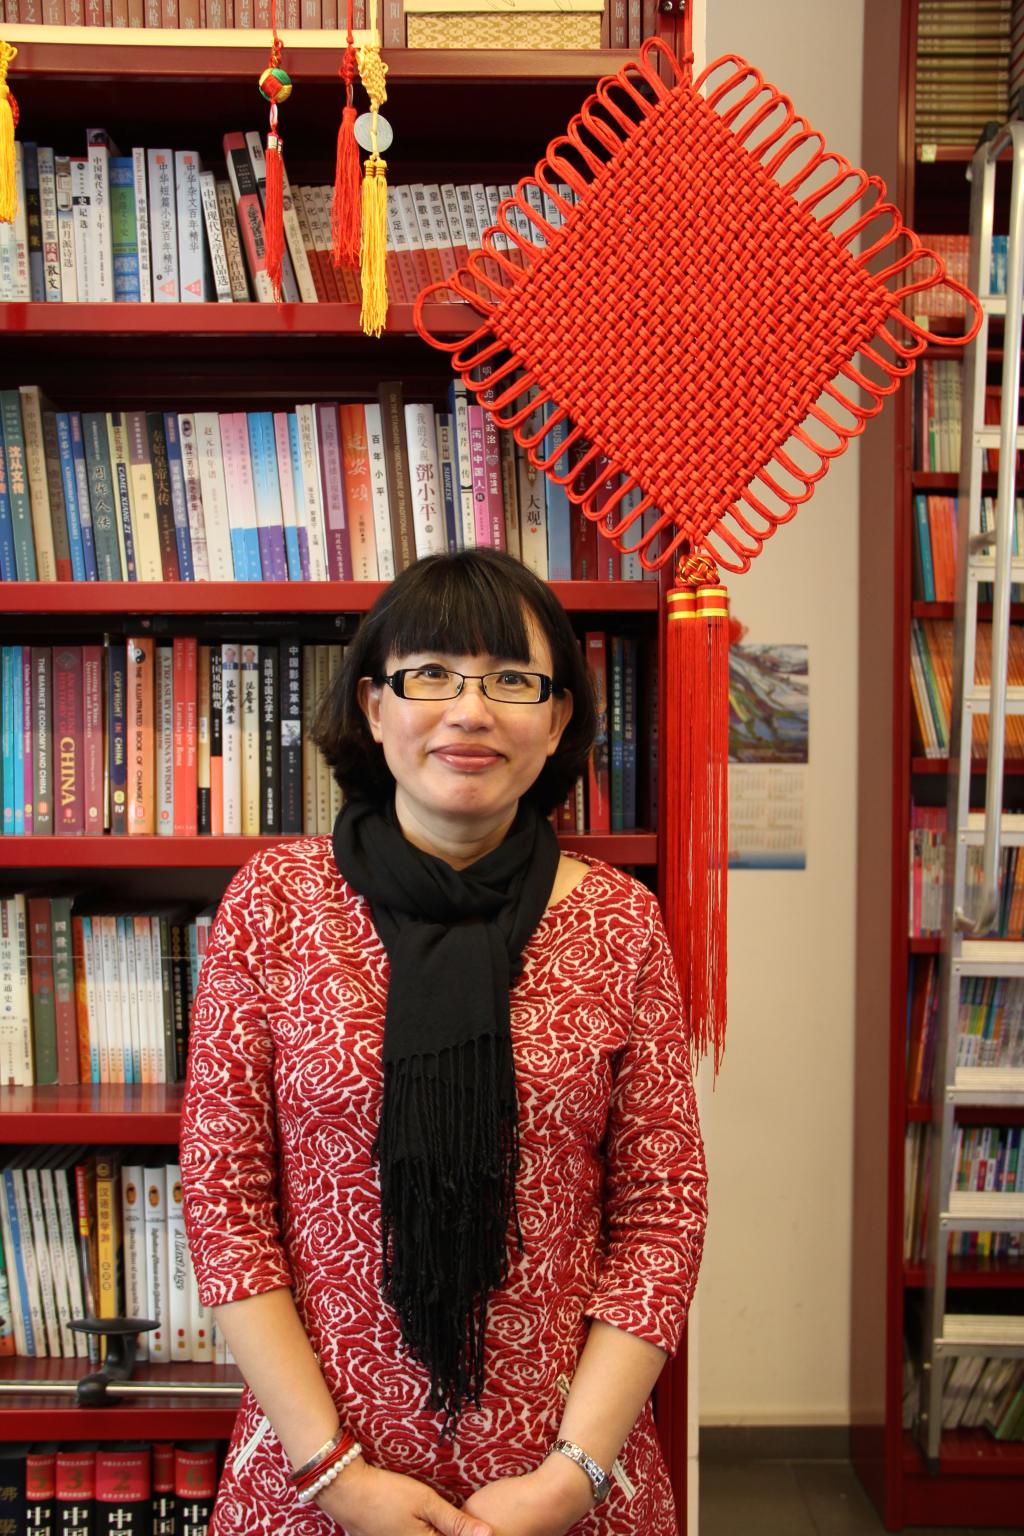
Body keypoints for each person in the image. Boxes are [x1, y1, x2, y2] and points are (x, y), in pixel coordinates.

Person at [179, 548, 708, 1536]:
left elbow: (661, 1214)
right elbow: (224, 1198)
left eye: (511, 680)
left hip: (565, 1480)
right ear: (374, 705)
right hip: (317, 1477)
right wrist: (334, 1474)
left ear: (558, 719)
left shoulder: (620, 922)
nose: (470, 712)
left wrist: (570, 1477)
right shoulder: (276, 902)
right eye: (430, 674)